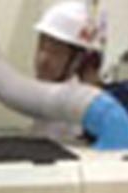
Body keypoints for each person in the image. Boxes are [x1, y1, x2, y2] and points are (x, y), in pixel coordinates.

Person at [32, 0, 105, 142]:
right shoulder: (41, 92)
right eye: (41, 47)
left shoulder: (79, 105)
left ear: (77, 60)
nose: (43, 59)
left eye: (55, 51)